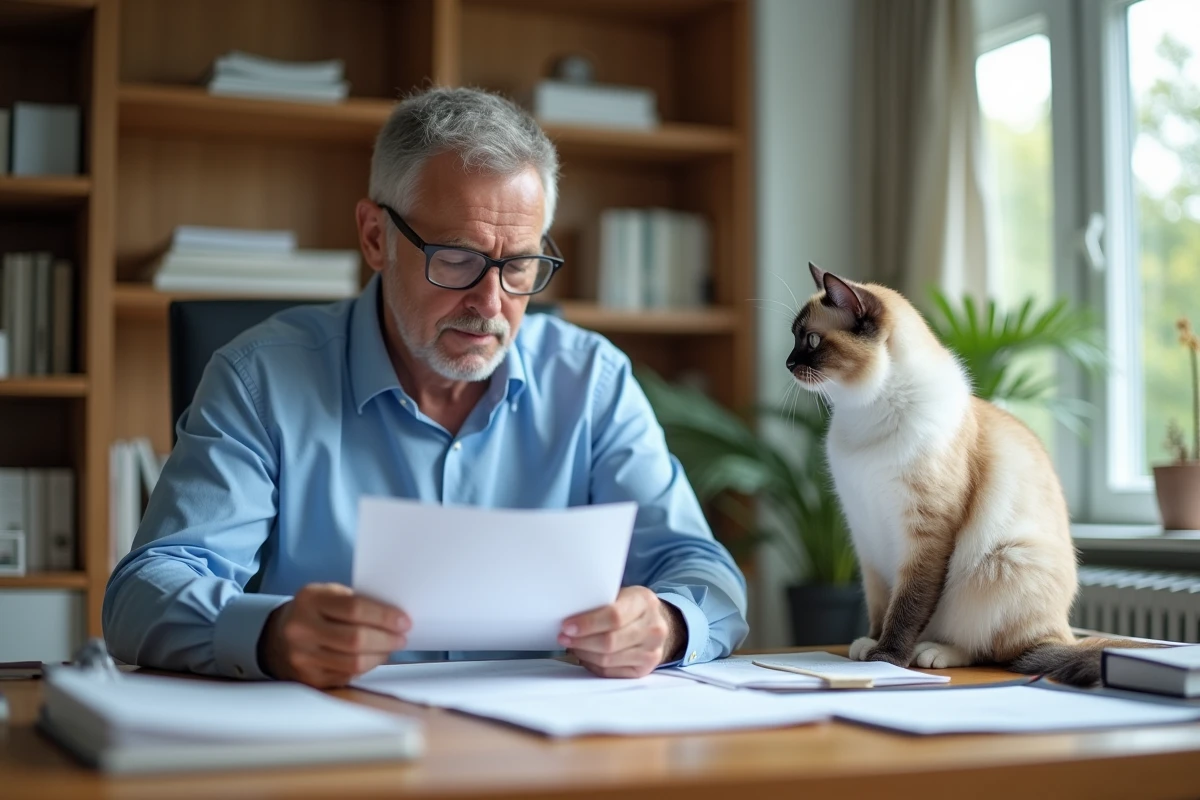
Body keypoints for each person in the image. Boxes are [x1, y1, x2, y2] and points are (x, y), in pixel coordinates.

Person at [103, 87, 748, 688]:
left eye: (519, 263)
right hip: (335, 750)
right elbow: (144, 592)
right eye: (458, 259)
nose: (490, 303)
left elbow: (706, 573)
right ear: (376, 237)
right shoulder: (260, 380)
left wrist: (665, 624)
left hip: (537, 752)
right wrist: (271, 635)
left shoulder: (593, 382)